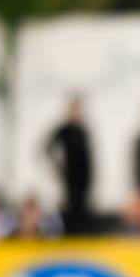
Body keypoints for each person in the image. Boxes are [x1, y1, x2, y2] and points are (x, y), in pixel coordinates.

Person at [46, 97, 93, 234]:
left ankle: (79, 235)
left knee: (81, 207)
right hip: (69, 176)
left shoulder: (83, 130)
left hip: (83, 177)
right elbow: (48, 147)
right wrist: (58, 166)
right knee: (69, 207)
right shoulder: (64, 130)